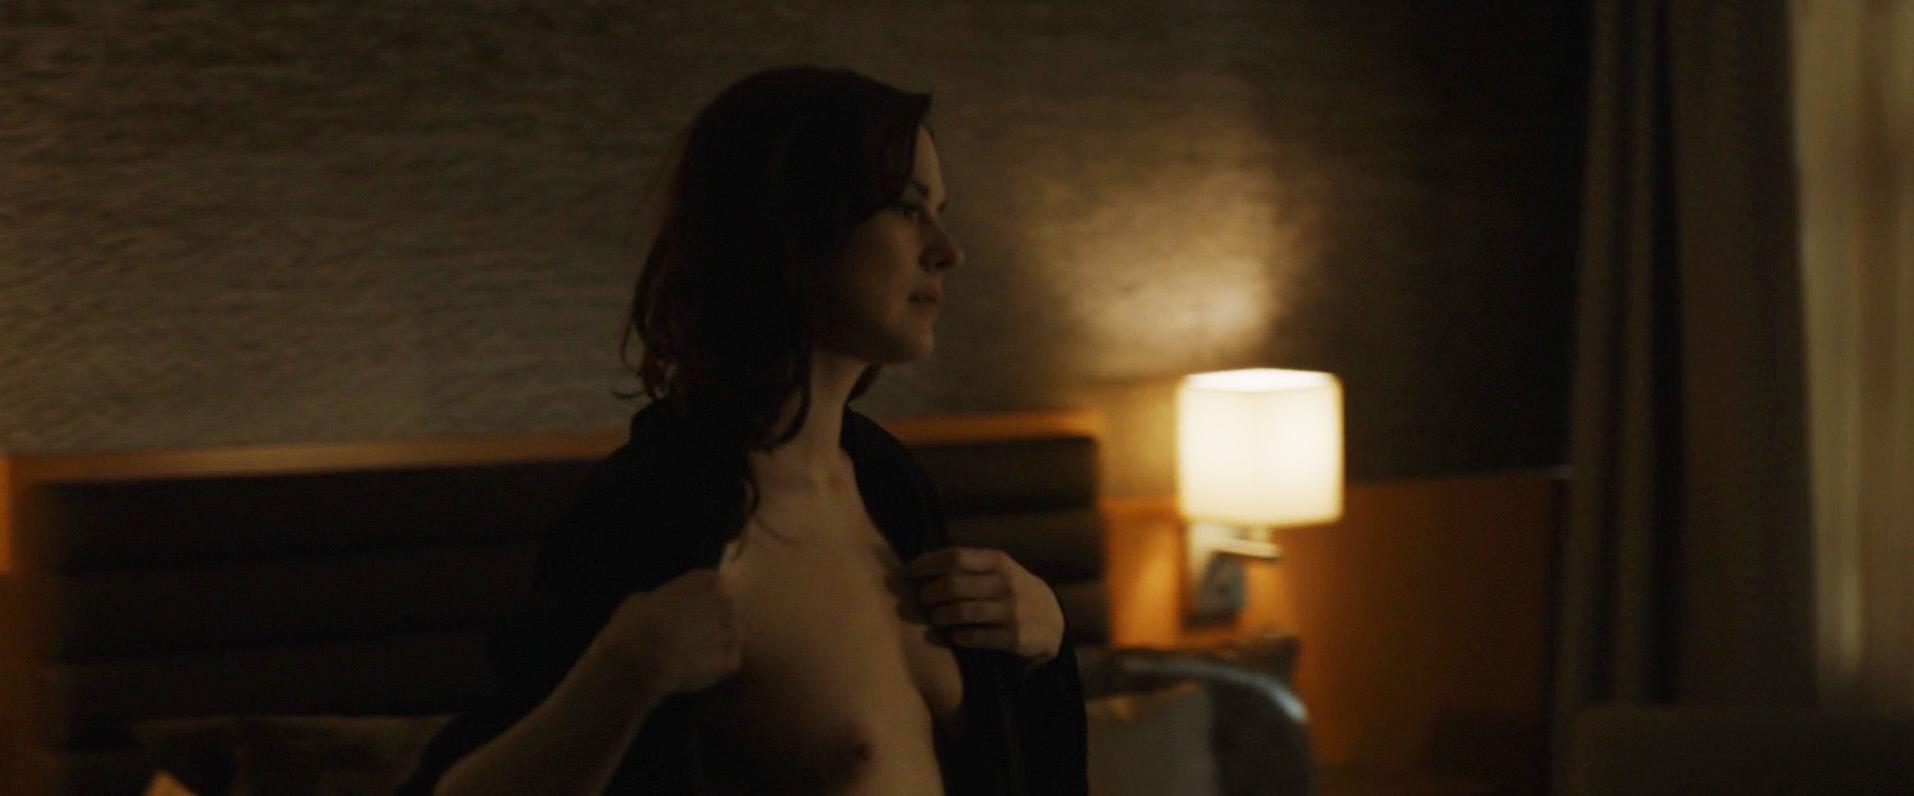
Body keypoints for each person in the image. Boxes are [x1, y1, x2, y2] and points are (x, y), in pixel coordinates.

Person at [396, 65, 1088, 795]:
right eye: (907, 209)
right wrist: (625, 674)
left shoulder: (892, 490)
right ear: (797, 222)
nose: (948, 250)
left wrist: (1047, 643)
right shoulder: (661, 512)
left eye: (941, 211)